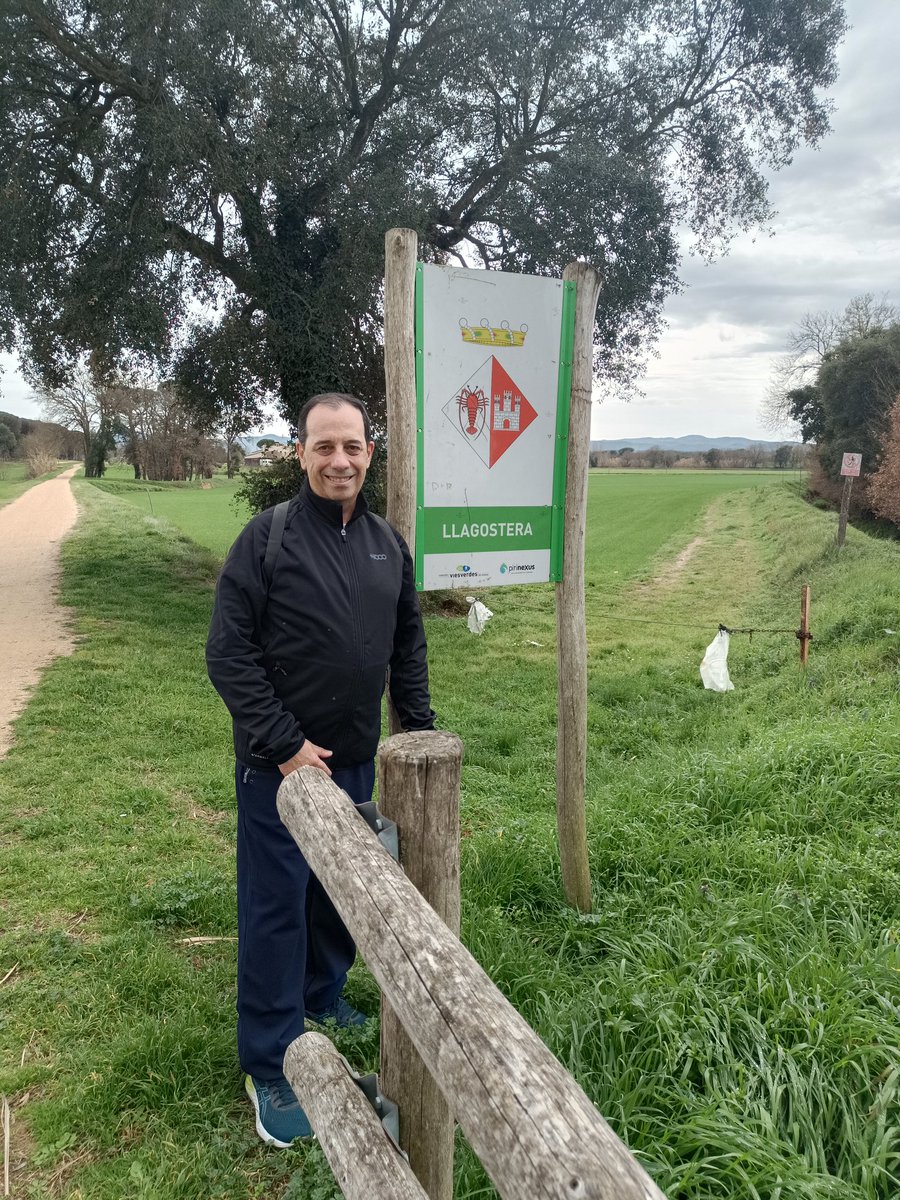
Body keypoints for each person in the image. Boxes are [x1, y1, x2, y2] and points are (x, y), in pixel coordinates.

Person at [206, 392, 435, 1147]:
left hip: (355, 762)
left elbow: (407, 648)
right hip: (278, 770)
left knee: (341, 897)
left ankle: (323, 994)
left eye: (354, 447)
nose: (340, 460)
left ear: (371, 454)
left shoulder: (386, 544)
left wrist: (420, 733)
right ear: (300, 454)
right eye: (324, 447)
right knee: (276, 909)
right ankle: (271, 1064)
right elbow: (228, 654)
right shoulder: (266, 540)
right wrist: (282, 743)